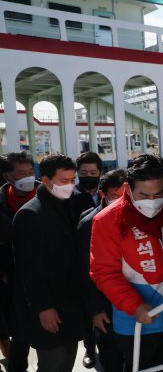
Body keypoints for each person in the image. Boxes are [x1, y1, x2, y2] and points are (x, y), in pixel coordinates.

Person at [90, 154, 163, 371]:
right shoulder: (107, 220)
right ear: (128, 188)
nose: (152, 202)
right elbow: (103, 272)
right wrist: (133, 306)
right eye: (144, 195)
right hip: (138, 322)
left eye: (159, 194)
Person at [13, 154, 85, 372]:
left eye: (73, 180)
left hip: (70, 304)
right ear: (45, 180)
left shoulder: (67, 205)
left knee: (66, 361)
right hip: (49, 307)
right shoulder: (30, 214)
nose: (70, 186)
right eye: (64, 181)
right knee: (53, 363)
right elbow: (29, 268)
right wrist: (43, 307)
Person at [78, 169, 127, 372]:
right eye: (116, 196)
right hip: (105, 304)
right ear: (103, 195)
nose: (122, 201)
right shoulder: (90, 223)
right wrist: (95, 310)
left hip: (133, 300)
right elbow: (84, 271)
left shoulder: (137, 216)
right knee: (111, 356)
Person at [0, 152, 39, 371]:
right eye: (21, 173)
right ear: (8, 176)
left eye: (30, 172)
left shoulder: (48, 195)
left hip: (42, 276)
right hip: (10, 280)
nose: (27, 177)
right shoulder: (2, 201)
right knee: (19, 333)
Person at [69, 151, 102, 368]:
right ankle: (90, 349)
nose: (89, 176)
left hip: (105, 256)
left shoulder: (106, 193)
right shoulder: (69, 198)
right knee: (87, 307)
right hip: (80, 258)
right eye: (84, 173)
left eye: (93, 172)